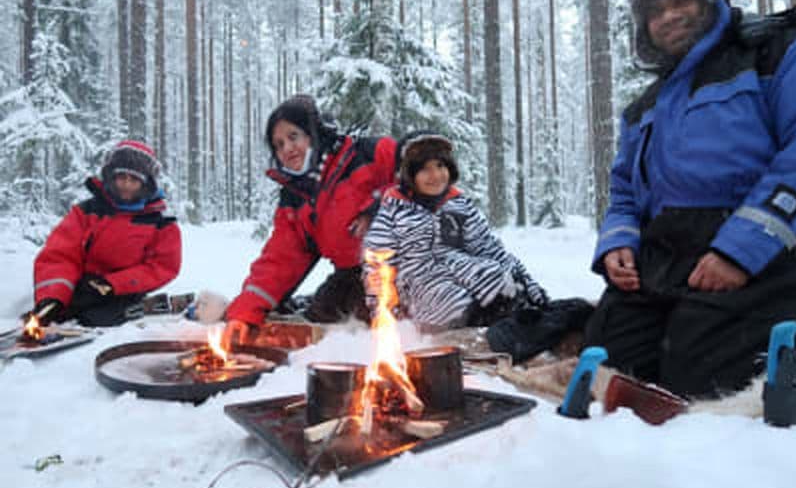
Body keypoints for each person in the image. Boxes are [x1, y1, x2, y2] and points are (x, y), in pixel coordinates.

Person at [586, 0, 796, 397]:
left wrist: (740, 251)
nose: (669, 16)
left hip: (769, 247)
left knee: (700, 377)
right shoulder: (646, 106)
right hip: (667, 253)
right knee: (609, 363)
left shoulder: (773, 54)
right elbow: (624, 188)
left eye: (681, 0)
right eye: (655, 11)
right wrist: (618, 242)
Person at [224, 95, 397, 340]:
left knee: (372, 327)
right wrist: (244, 312)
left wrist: (378, 204)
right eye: (279, 145)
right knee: (317, 325)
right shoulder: (296, 197)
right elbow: (280, 259)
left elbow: (425, 175)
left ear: (313, 134)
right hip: (352, 276)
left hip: (407, 268)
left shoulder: (368, 154)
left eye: (293, 137)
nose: (287, 149)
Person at [362, 132, 550, 333]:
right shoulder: (394, 210)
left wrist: (525, 281)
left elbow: (488, 247)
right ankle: (470, 333)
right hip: (417, 286)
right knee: (452, 301)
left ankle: (510, 322)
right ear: (408, 175)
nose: (435, 176)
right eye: (425, 169)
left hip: (459, 270)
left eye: (440, 166)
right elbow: (376, 265)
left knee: (497, 277)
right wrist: (383, 312)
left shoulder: (458, 205)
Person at [29, 140, 182, 327]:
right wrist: (53, 296)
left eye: (134, 180)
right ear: (111, 177)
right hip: (82, 287)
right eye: (121, 177)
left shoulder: (161, 222)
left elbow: (162, 267)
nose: (126, 184)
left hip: (125, 292)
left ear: (146, 184)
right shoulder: (86, 212)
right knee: (54, 313)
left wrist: (111, 284)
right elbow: (59, 256)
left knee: (92, 320)